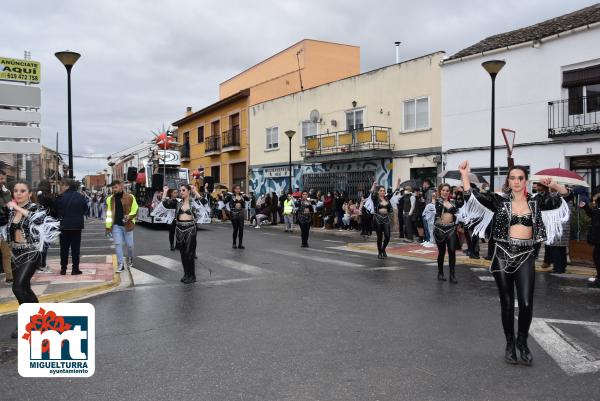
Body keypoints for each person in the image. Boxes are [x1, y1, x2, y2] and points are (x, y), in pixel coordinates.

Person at [459, 161, 569, 366]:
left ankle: (523, 341)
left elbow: (565, 196)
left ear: (525, 181)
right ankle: (510, 344)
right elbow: (471, 196)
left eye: (520, 178)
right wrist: (464, 175)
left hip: (526, 254)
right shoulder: (499, 200)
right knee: (507, 303)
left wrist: (554, 184)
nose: (517, 181)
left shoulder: (537, 201)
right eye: (513, 178)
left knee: (526, 303)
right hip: (502, 255)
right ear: (508, 181)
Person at [5, 181, 60, 337]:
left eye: (22, 191)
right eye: (15, 191)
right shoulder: (11, 211)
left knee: (17, 287)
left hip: (31, 252)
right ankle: (37, 322)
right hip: (15, 253)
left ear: (29, 194)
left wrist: (16, 207)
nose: (18, 193)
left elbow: (37, 220)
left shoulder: (35, 208)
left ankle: (27, 323)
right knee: (24, 289)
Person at [154, 184, 207, 283]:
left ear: (188, 191)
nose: (181, 192)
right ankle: (186, 274)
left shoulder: (193, 202)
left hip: (190, 229)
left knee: (189, 253)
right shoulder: (177, 203)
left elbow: (204, 202)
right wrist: (165, 192)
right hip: (179, 229)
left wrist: (195, 191)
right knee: (183, 254)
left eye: (183, 190)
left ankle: (192, 276)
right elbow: (165, 203)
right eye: (180, 190)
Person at [55, 179, 88, 275]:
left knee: (64, 249)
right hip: (76, 226)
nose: (61, 187)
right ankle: (75, 269)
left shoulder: (60, 197)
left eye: (63, 185)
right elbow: (85, 209)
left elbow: (56, 211)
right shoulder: (81, 197)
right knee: (75, 249)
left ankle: (63, 269)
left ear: (68, 186)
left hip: (63, 226)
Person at [105, 180, 138, 273]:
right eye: (112, 188)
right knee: (118, 244)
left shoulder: (130, 197)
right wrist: (108, 227)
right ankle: (120, 264)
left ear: (121, 187)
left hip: (127, 225)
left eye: (115, 187)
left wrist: (130, 216)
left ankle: (130, 257)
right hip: (116, 226)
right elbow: (108, 214)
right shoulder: (109, 199)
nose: (114, 189)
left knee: (130, 245)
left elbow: (135, 209)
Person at [433, 184, 463, 283]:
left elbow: (461, 204)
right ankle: (440, 273)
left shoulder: (453, 202)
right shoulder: (437, 201)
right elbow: (436, 210)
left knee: (452, 251)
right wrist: (437, 199)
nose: (445, 192)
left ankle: (452, 275)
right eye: (443, 190)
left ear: (449, 192)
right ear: (440, 191)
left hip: (451, 229)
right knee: (441, 252)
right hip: (440, 230)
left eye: (447, 191)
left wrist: (460, 192)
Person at [367, 181, 393, 259]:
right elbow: (371, 192)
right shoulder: (375, 198)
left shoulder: (387, 199)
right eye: (381, 190)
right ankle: (379, 252)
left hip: (386, 219)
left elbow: (390, 209)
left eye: (383, 190)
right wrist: (374, 185)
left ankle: (383, 249)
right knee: (380, 237)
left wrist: (389, 214)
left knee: (387, 236)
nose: (382, 192)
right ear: (378, 192)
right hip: (378, 218)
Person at [36, 181, 57, 273]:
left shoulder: (35, 197)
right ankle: (42, 264)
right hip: (46, 224)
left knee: (37, 245)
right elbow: (54, 212)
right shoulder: (48, 199)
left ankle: (38, 264)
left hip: (36, 225)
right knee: (44, 245)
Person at [580, 193, 600, 287]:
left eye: (595, 201)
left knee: (597, 257)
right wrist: (585, 207)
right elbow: (593, 214)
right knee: (596, 256)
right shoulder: (598, 211)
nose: (593, 202)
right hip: (597, 241)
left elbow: (594, 216)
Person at [0, 170, 14, 283]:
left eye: (4, 179)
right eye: (1, 179)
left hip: (3, 226)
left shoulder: (6, 191)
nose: (3, 181)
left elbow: (9, 206)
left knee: (7, 253)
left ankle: (9, 276)